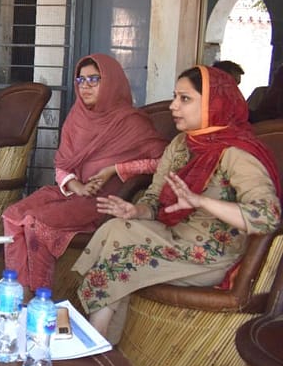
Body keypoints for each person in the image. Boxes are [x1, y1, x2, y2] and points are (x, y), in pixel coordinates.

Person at [73, 65, 282, 341]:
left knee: (121, 259)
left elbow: (268, 217)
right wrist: (137, 210)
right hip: (173, 237)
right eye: (175, 97)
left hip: (209, 254)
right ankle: (98, 343)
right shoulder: (182, 144)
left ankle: (95, 340)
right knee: (116, 228)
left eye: (185, 99)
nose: (173, 106)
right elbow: (155, 198)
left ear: (211, 103)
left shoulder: (236, 153)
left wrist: (202, 202)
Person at [1, 54, 167, 291]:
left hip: (105, 201)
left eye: (94, 80)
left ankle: (39, 296)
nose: (86, 86)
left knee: (37, 224)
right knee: (13, 215)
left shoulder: (132, 122)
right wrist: (75, 185)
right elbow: (62, 164)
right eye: (81, 80)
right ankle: (18, 290)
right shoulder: (77, 117)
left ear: (111, 83)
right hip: (73, 192)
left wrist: (116, 169)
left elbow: (162, 161)